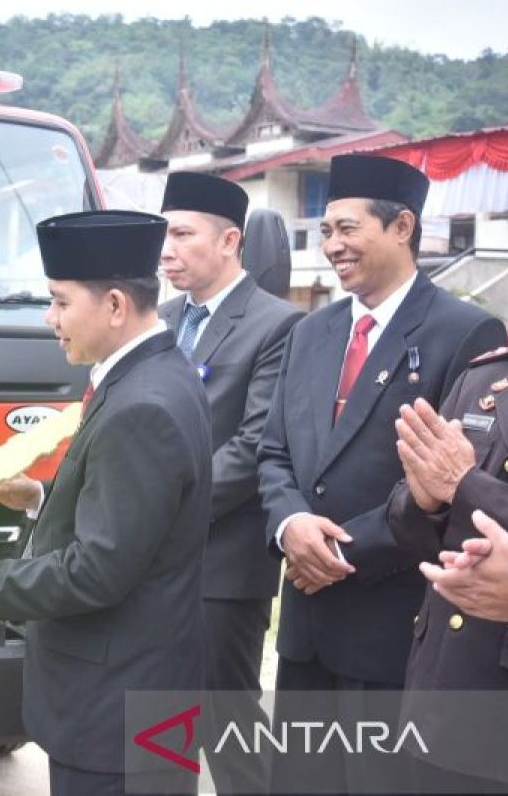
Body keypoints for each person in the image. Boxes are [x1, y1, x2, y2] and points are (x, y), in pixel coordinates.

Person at [0, 209, 213, 796]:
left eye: (61, 302)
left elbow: (97, 571)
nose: (51, 320)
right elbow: (137, 518)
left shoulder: (141, 405)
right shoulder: (156, 375)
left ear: (116, 305)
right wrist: (42, 496)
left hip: (116, 707)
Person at [256, 153, 506, 792]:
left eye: (348, 229)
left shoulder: (465, 331)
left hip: (390, 626)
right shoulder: (310, 331)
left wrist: (336, 552)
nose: (333, 246)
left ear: (402, 228)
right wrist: (289, 526)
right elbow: (275, 451)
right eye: (326, 232)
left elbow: (453, 484)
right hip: (305, 634)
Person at [386, 181, 508, 793]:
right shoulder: (493, 377)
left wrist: (463, 486)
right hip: (441, 690)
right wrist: (424, 499)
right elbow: (411, 521)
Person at [157, 171, 303, 795]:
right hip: (150, 561)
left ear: (229, 241)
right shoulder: (157, 318)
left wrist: (155, 505)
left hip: (221, 564)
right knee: (160, 723)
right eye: (163, 234)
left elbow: (254, 446)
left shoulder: (276, 324)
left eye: (182, 234)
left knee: (227, 721)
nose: (165, 249)